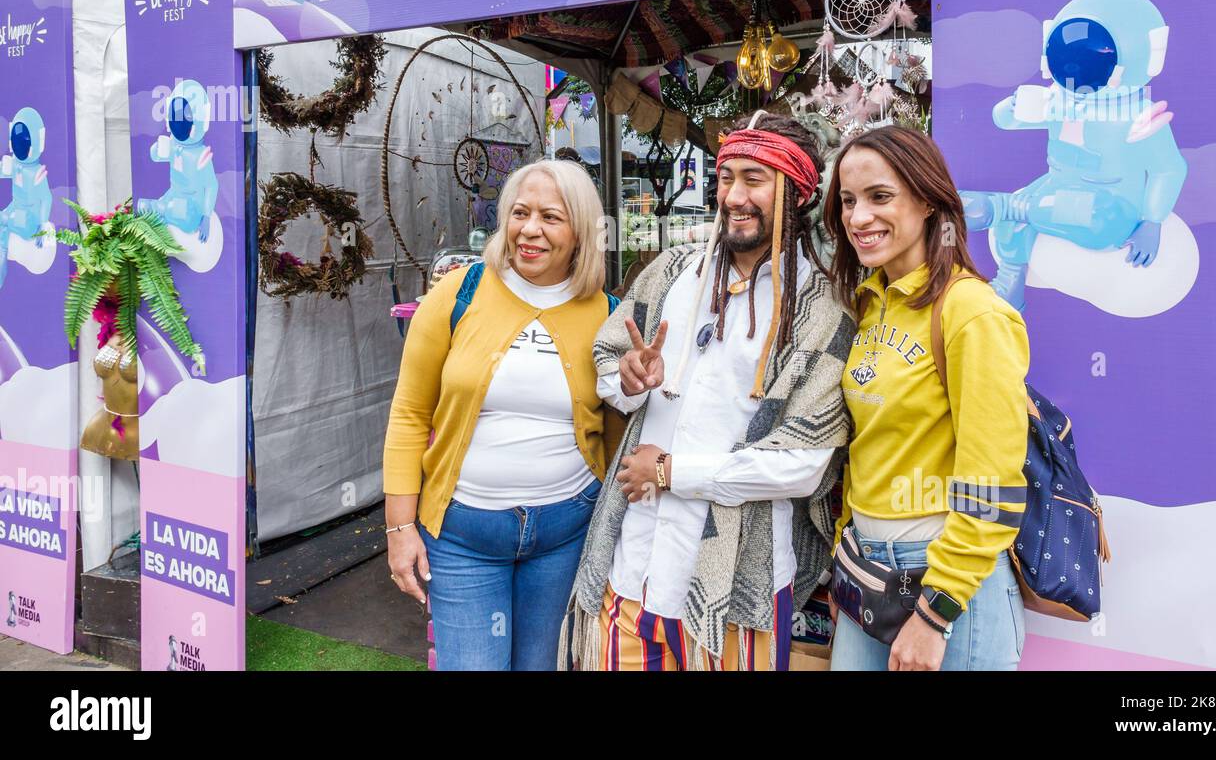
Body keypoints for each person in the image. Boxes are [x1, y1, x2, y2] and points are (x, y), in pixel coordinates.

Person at [561, 111, 855, 671]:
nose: (734, 195)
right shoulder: (672, 271)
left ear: (796, 192)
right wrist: (626, 378)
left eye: (755, 179)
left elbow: (805, 462)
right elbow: (606, 363)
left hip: (735, 593)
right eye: (726, 177)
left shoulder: (821, 309)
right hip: (629, 565)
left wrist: (672, 472)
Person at [383, 160, 620, 670]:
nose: (530, 229)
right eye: (520, 213)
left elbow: (619, 425)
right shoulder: (458, 293)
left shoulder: (606, 313)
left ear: (580, 231)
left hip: (564, 534)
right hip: (465, 538)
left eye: (551, 217)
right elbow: (408, 414)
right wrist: (399, 529)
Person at [823, 125, 1030, 671]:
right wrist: (848, 551)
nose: (858, 218)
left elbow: (993, 481)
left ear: (928, 202)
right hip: (866, 576)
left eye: (880, 197)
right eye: (848, 201)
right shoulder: (867, 305)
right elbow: (865, 447)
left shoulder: (971, 311)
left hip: (946, 584)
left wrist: (936, 612)